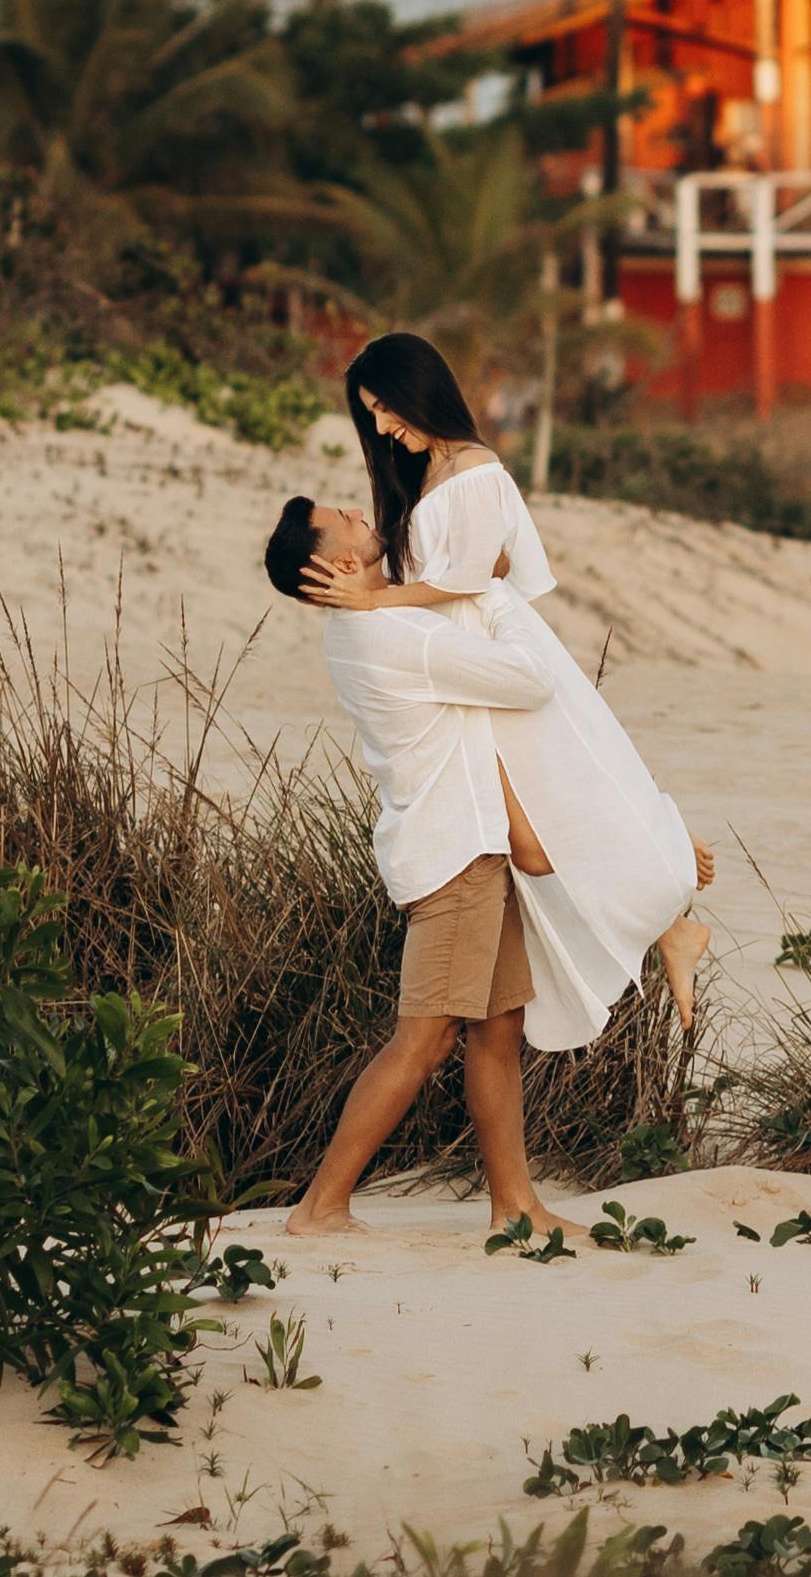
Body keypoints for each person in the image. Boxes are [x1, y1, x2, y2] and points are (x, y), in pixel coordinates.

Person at [301, 330, 714, 1044]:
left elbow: (465, 580)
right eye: (368, 413)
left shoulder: (475, 468)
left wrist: (374, 603)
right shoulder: (424, 473)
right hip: (463, 667)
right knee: (531, 837)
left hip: (493, 654)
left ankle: (668, 867)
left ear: (416, 391)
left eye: (384, 408)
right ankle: (671, 922)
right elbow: (448, 576)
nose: (379, 426)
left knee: (539, 831)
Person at [262, 495, 589, 1241]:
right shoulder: (389, 632)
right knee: (424, 1039)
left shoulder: (373, 624)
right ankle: (320, 1209)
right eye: (342, 516)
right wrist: (493, 592)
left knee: (498, 1030)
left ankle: (515, 1205)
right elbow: (529, 681)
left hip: (473, 848)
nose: (356, 506)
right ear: (341, 563)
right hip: (453, 857)